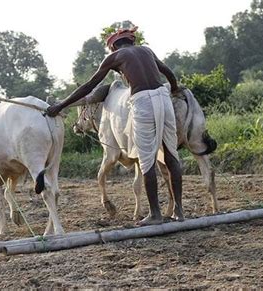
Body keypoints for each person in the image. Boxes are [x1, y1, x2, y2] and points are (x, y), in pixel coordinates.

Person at [46, 27, 184, 225]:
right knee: (171, 155)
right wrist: (175, 89)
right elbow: (169, 73)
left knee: (147, 161)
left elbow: (89, 86)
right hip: (163, 96)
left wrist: (60, 105)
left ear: (113, 47)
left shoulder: (114, 58)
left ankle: (155, 214)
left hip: (142, 101)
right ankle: (179, 211)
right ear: (131, 41)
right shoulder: (146, 50)